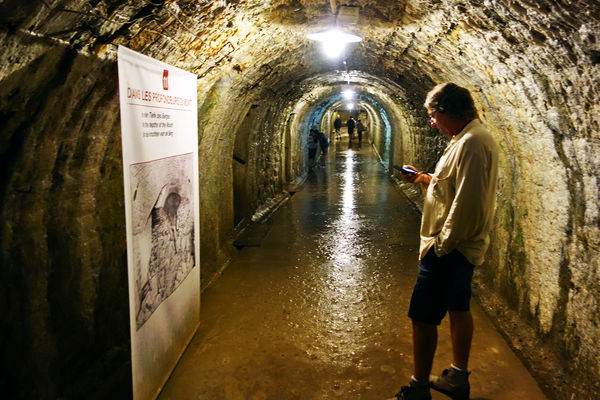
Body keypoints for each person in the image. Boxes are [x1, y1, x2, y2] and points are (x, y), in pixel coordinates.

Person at [391, 83, 499, 400]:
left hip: (450, 249)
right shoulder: (464, 140)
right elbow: (450, 187)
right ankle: (458, 377)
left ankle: (419, 388)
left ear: (444, 111)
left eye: (433, 116)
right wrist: (425, 179)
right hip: (456, 247)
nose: (431, 123)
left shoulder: (473, 144)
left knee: (422, 317)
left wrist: (441, 246)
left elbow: (467, 204)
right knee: (458, 307)